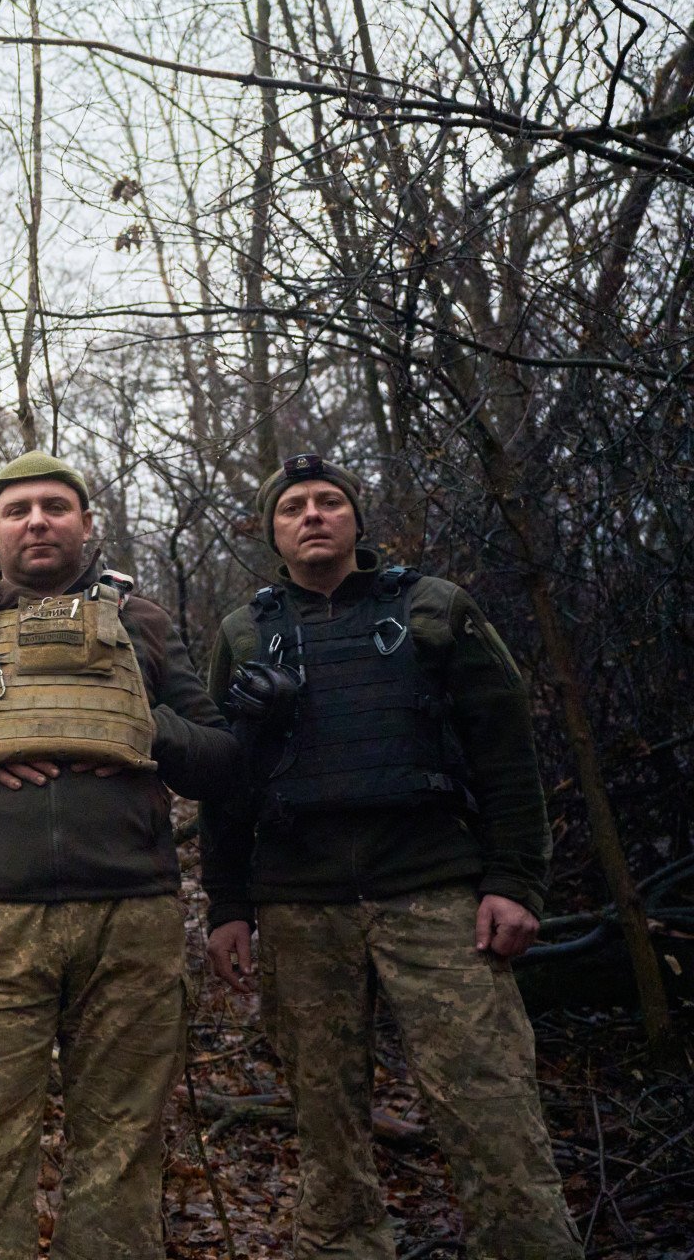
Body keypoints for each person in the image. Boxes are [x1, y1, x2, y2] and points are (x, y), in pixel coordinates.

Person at [0, 451, 240, 1259]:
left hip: (131, 919)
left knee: (123, 1144)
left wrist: (136, 725)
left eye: (56, 507)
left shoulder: (142, 622)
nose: (37, 521)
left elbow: (220, 761)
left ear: (87, 525)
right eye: (18, 509)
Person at [201, 453, 581, 1259]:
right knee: (325, 1124)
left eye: (328, 501)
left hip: (434, 893)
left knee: (490, 1103)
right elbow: (224, 783)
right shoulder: (244, 633)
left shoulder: (434, 609)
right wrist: (228, 905)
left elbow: (507, 753)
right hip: (299, 903)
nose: (312, 515)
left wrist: (515, 881)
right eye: (293, 507)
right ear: (273, 532)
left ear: (356, 520)